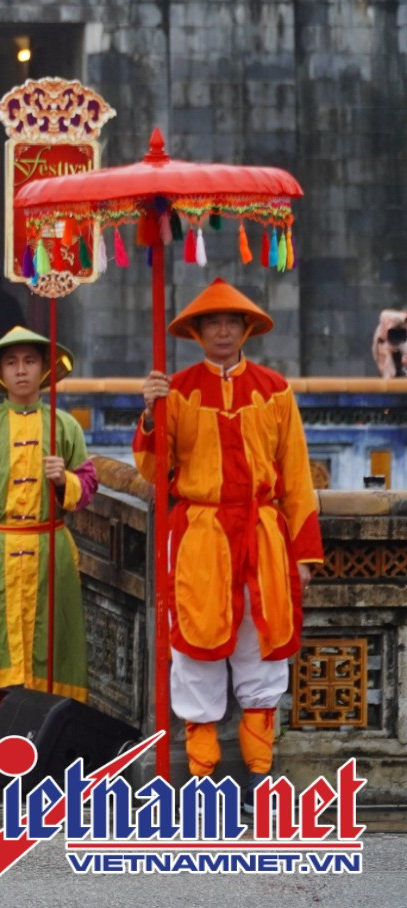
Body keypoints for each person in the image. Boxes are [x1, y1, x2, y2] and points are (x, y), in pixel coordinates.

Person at [135, 279, 320, 787]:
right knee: (195, 649)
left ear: (246, 330)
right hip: (200, 535)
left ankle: (260, 776)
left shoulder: (275, 390)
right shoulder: (179, 390)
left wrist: (304, 555)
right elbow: (155, 471)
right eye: (212, 322)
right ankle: (200, 774)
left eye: (231, 323)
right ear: (196, 331)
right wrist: (152, 415)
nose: (222, 331)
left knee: (260, 648)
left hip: (262, 535)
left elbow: (297, 477)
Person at [0, 327, 97, 722]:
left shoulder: (64, 426)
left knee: (51, 648)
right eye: (12, 363)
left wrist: (66, 479)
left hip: (50, 552)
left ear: (45, 368)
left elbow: (89, 487)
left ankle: (44, 734)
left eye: (30, 361)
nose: (21, 371)